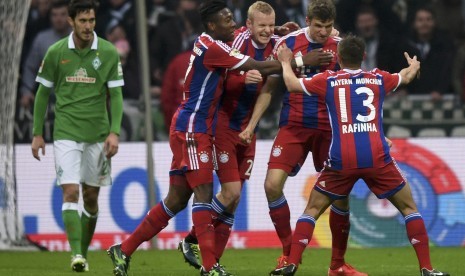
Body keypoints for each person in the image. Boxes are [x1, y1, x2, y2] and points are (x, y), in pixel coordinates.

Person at [107, 1, 320, 275]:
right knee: (209, 195)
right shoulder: (215, 47)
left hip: (200, 126)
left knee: (177, 199)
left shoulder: (215, 41)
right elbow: (254, 63)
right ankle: (209, 265)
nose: (233, 25)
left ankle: (123, 250)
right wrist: (300, 62)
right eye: (228, 20)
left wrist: (275, 29)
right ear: (212, 25)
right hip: (196, 128)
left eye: (233, 20)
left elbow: (262, 42)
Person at [271, 34, 449, 276]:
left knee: (311, 210)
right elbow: (405, 76)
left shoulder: (328, 80)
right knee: (409, 208)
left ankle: (291, 263)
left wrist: (284, 61)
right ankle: (428, 269)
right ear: (363, 57)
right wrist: (414, 66)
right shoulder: (378, 78)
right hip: (377, 157)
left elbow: (292, 84)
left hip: (341, 160)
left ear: (339, 58)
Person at [240, 1, 366, 275]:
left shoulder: (340, 47)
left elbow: (356, 91)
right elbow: (271, 84)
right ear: (308, 20)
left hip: (331, 130)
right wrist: (251, 125)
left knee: (341, 197)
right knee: (272, 185)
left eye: (328, 27)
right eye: (318, 26)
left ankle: (338, 265)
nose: (323, 32)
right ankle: (288, 253)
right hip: (294, 125)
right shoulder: (289, 43)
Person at [177, 1, 287, 269]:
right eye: (261, 25)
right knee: (230, 191)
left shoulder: (277, 43)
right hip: (223, 126)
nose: (267, 30)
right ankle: (192, 238)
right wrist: (242, 78)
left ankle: (212, 264)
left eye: (271, 25)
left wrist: (251, 127)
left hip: (248, 131)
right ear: (248, 25)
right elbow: (219, 77)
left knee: (234, 201)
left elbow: (269, 89)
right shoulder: (233, 41)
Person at [31, 0, 124, 272]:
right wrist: (37, 134)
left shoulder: (107, 52)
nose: (88, 26)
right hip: (66, 132)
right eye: (82, 21)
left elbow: (116, 95)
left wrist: (114, 132)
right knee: (70, 191)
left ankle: (82, 252)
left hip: (97, 134)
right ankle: (76, 255)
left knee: (91, 197)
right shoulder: (56, 52)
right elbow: (42, 94)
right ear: (71, 21)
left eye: (91, 21)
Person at [20, 0, 71, 109]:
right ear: (50, 17)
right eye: (54, 15)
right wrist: (26, 91)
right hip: (49, 100)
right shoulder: (41, 39)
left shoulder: (82, 38)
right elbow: (30, 67)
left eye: (63, 14)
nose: (59, 19)